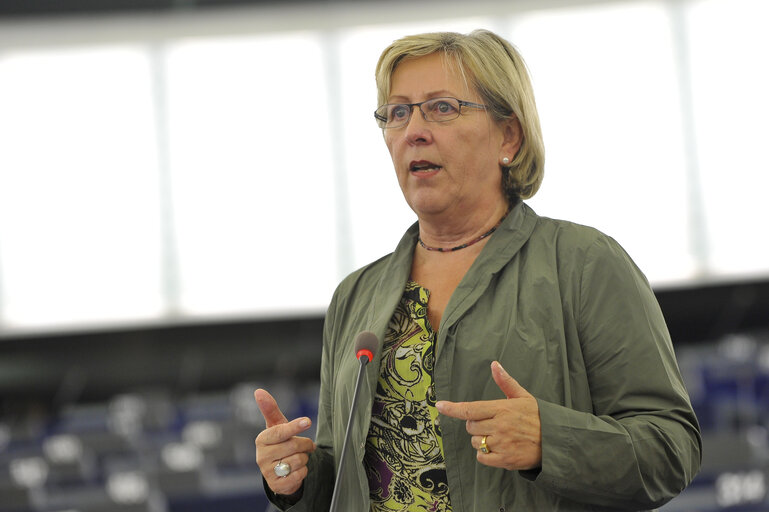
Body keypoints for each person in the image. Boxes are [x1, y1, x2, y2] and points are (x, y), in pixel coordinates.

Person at [253, 29, 702, 511]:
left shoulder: (584, 262)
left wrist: (549, 440)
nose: (413, 130)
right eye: (397, 112)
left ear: (508, 136)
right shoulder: (355, 296)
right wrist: (295, 475)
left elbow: (672, 449)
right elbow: (345, 479)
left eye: (442, 107)